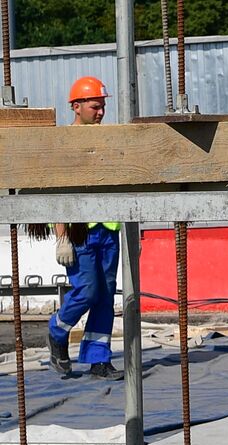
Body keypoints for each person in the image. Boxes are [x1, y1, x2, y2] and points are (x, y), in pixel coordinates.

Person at [49, 77, 123, 380]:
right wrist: (61, 236)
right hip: (81, 231)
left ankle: (98, 359)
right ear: (77, 107)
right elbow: (56, 192)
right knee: (88, 291)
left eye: (103, 106)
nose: (101, 111)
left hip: (108, 229)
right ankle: (57, 329)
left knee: (105, 296)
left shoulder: (108, 141)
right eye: (96, 106)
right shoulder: (64, 143)